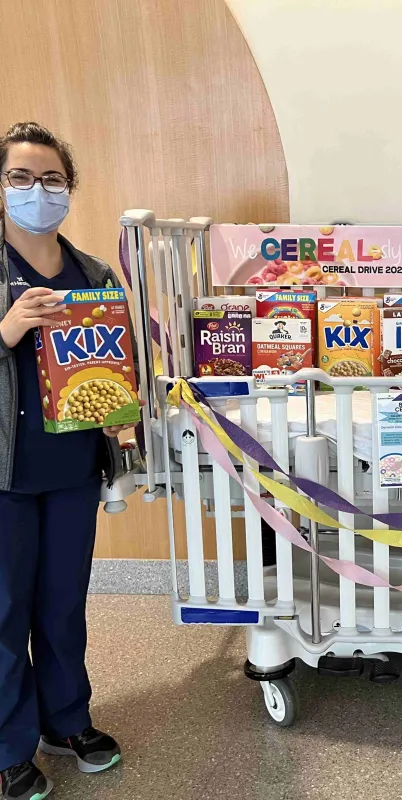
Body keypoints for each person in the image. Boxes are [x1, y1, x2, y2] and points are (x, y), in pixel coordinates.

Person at [0, 123, 136, 800]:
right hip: (5, 475)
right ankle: (7, 746)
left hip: (74, 469)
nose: (37, 192)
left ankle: (67, 720)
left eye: (51, 179)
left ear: (70, 188)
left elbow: (114, 370)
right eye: (21, 178)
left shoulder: (94, 276)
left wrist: (124, 421)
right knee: (3, 611)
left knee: (61, 606)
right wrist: (6, 329)